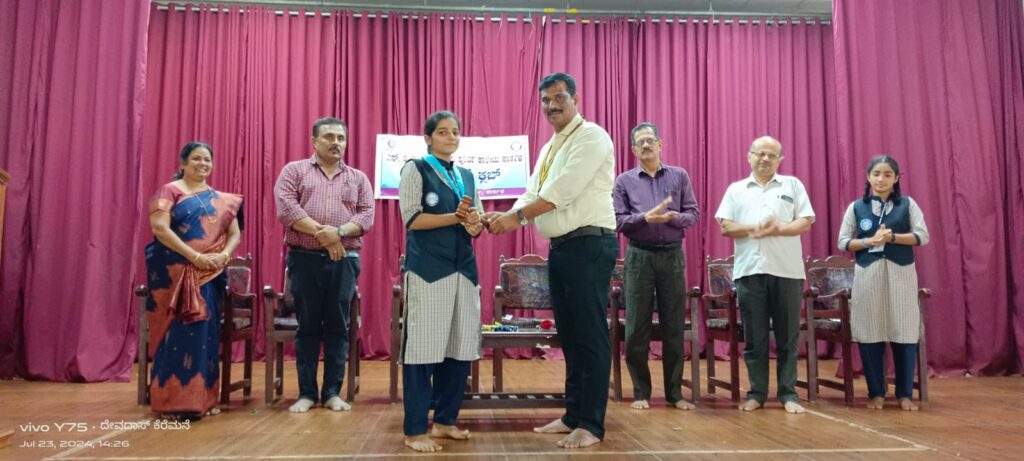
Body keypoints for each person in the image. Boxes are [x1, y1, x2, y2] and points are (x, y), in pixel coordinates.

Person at [484, 72, 618, 448]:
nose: (551, 106)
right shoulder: (549, 148)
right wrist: (503, 216)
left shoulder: (591, 136)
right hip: (562, 249)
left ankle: (591, 424)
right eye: (545, 100)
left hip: (590, 246)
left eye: (559, 98)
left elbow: (563, 190)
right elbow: (532, 192)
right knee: (570, 337)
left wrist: (516, 218)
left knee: (590, 335)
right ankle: (573, 415)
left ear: (575, 99)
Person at [273, 117, 374, 413]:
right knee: (307, 326)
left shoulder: (358, 178)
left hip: (345, 261)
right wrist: (326, 236)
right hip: (304, 259)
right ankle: (306, 393)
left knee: (337, 327)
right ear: (314, 142)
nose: (336, 142)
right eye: (329, 137)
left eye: (341, 138)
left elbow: (366, 216)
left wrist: (338, 233)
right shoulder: (294, 171)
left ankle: (332, 393)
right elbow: (287, 210)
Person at [398, 111, 484, 452]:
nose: (451, 137)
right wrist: (456, 218)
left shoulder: (467, 176)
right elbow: (412, 219)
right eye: (443, 132)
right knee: (422, 350)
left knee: (459, 349)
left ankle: (445, 421)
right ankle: (415, 430)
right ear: (428, 138)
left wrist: (475, 223)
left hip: (465, 271)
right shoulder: (415, 168)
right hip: (428, 271)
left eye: (456, 132)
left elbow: (474, 224)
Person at [714, 135, 814, 414]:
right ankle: (756, 393)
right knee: (754, 337)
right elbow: (726, 226)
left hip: (787, 271)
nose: (766, 159)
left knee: (788, 337)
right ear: (749, 157)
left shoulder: (792, 185)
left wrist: (777, 229)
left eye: (772, 155)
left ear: (779, 160)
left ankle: (788, 393)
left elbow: (805, 222)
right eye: (760, 153)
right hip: (750, 271)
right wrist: (757, 227)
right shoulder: (736, 190)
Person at [145, 141, 242, 419]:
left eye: (207, 160)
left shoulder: (223, 200)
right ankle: (172, 403)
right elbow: (160, 229)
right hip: (173, 276)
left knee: (205, 335)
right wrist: (194, 257)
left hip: (209, 276)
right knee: (175, 334)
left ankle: (204, 401)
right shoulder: (170, 191)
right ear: (183, 164)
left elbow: (234, 234)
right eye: (196, 159)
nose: (203, 164)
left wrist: (224, 256)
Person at [612, 122, 700, 411]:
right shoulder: (624, 181)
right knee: (636, 326)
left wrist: (672, 217)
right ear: (633, 149)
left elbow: (693, 214)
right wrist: (645, 218)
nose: (647, 145)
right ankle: (641, 392)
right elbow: (618, 221)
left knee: (674, 325)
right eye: (641, 142)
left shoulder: (679, 176)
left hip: (672, 256)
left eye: (651, 140)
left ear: (661, 144)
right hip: (639, 257)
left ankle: (674, 394)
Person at [837, 155, 929, 411]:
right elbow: (843, 242)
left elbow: (923, 236)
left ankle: (904, 394)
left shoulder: (908, 204)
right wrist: (869, 242)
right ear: (868, 177)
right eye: (876, 174)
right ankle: (876, 392)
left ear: (896, 178)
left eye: (888, 174)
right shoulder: (857, 207)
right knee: (870, 331)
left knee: (904, 330)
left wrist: (893, 238)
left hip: (902, 273)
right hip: (868, 274)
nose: (881, 179)